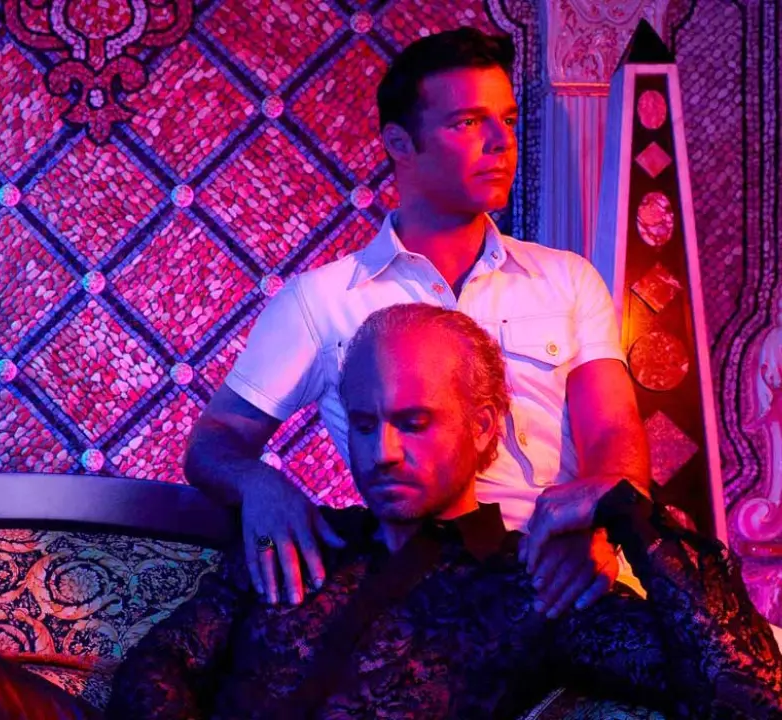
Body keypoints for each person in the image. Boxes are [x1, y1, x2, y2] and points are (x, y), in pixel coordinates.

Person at [107, 303, 782, 719]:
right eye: (364, 424)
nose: (381, 453)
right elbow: (160, 663)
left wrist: (626, 509)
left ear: (484, 427)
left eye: (414, 422)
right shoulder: (302, 540)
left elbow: (745, 697)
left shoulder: (533, 585)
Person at [185, 28, 649, 617]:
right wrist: (259, 484)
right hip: (429, 599)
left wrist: (600, 522)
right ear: (400, 143)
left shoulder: (567, 279)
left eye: (507, 120)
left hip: (570, 578)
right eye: (468, 123)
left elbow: (613, 432)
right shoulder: (320, 300)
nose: (501, 141)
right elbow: (212, 444)